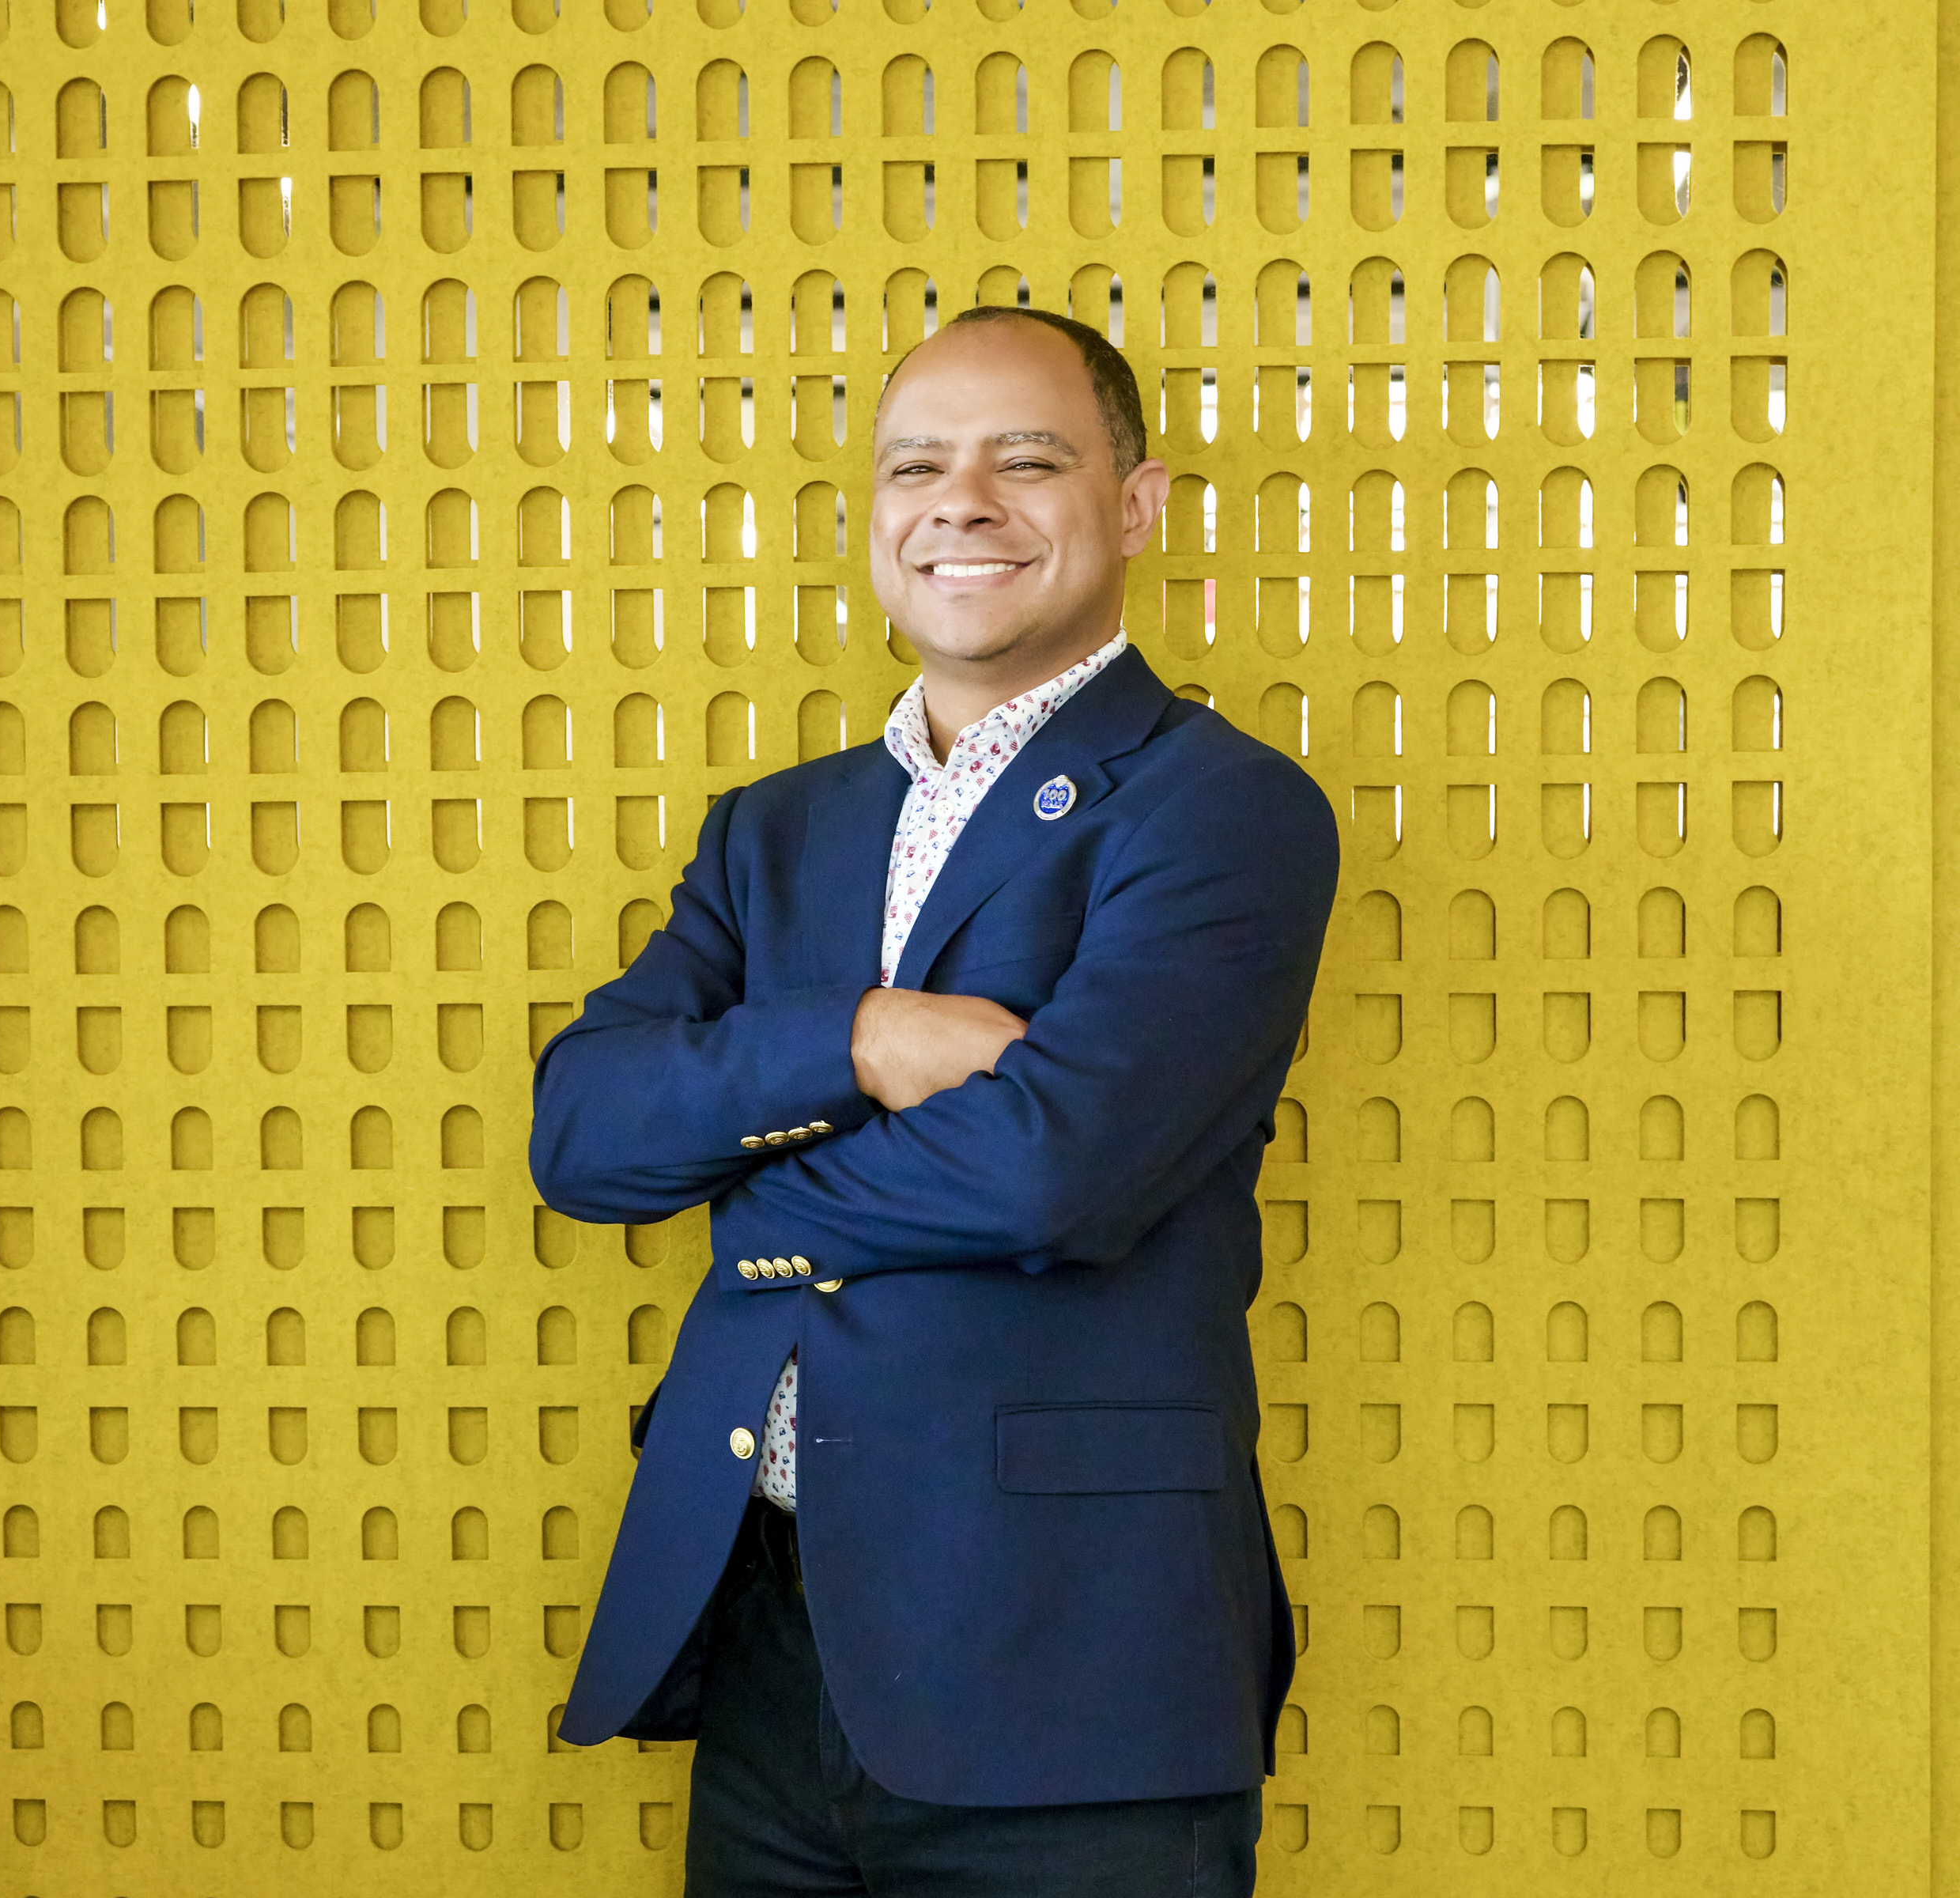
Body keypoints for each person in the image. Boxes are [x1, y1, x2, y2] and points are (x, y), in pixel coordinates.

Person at [529, 305, 1339, 1897]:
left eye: (1026, 460)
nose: (960, 501)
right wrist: (865, 1040)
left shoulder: (1222, 807)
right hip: (770, 1635)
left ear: (1135, 505)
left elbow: (1056, 1172)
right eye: (919, 465)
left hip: (1072, 1663)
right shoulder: (774, 831)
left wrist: (748, 1185)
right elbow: (583, 1133)